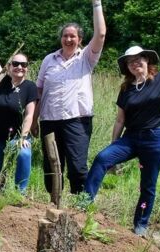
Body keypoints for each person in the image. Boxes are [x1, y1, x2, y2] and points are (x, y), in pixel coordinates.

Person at [85, 20, 160, 236]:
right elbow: (120, 120)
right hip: (130, 139)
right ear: (127, 67)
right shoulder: (126, 88)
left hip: (155, 139)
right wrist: (114, 146)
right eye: (130, 62)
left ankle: (140, 225)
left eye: (138, 59)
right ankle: (84, 204)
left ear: (147, 60)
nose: (135, 63)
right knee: (102, 159)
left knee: (147, 184)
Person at [34, 0, 106, 195]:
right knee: (51, 167)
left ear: (80, 39)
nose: (68, 39)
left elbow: (100, 34)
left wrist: (96, 4)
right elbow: (39, 91)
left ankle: (79, 204)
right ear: (61, 39)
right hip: (49, 121)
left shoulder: (86, 59)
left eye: (72, 36)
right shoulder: (49, 59)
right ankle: (54, 203)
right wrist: (33, 120)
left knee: (77, 167)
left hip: (78, 121)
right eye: (65, 36)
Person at [0, 21, 38, 193]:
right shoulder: (2, 81)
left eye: (23, 65)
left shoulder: (30, 87)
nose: (19, 67)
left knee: (24, 154)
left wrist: (24, 137)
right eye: (15, 63)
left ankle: (20, 193)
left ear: (27, 68)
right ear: (9, 66)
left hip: (16, 138)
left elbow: (29, 115)